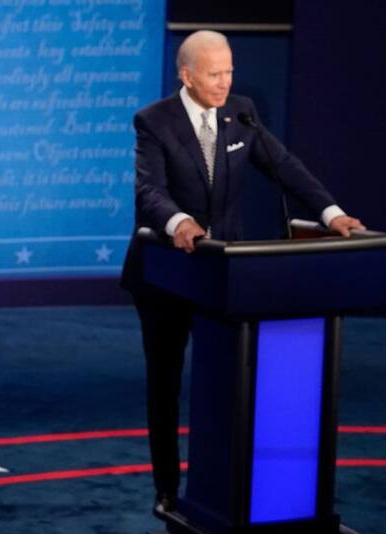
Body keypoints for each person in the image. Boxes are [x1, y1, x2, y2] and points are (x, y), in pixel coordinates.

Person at [120, 30, 364, 514]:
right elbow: (149, 191)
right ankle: (167, 489)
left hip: (226, 278)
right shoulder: (154, 122)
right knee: (165, 385)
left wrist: (331, 214)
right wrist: (179, 221)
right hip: (167, 275)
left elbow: (286, 167)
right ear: (186, 75)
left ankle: (226, 487)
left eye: (229, 70)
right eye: (214, 74)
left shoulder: (242, 113)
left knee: (228, 383)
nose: (225, 81)